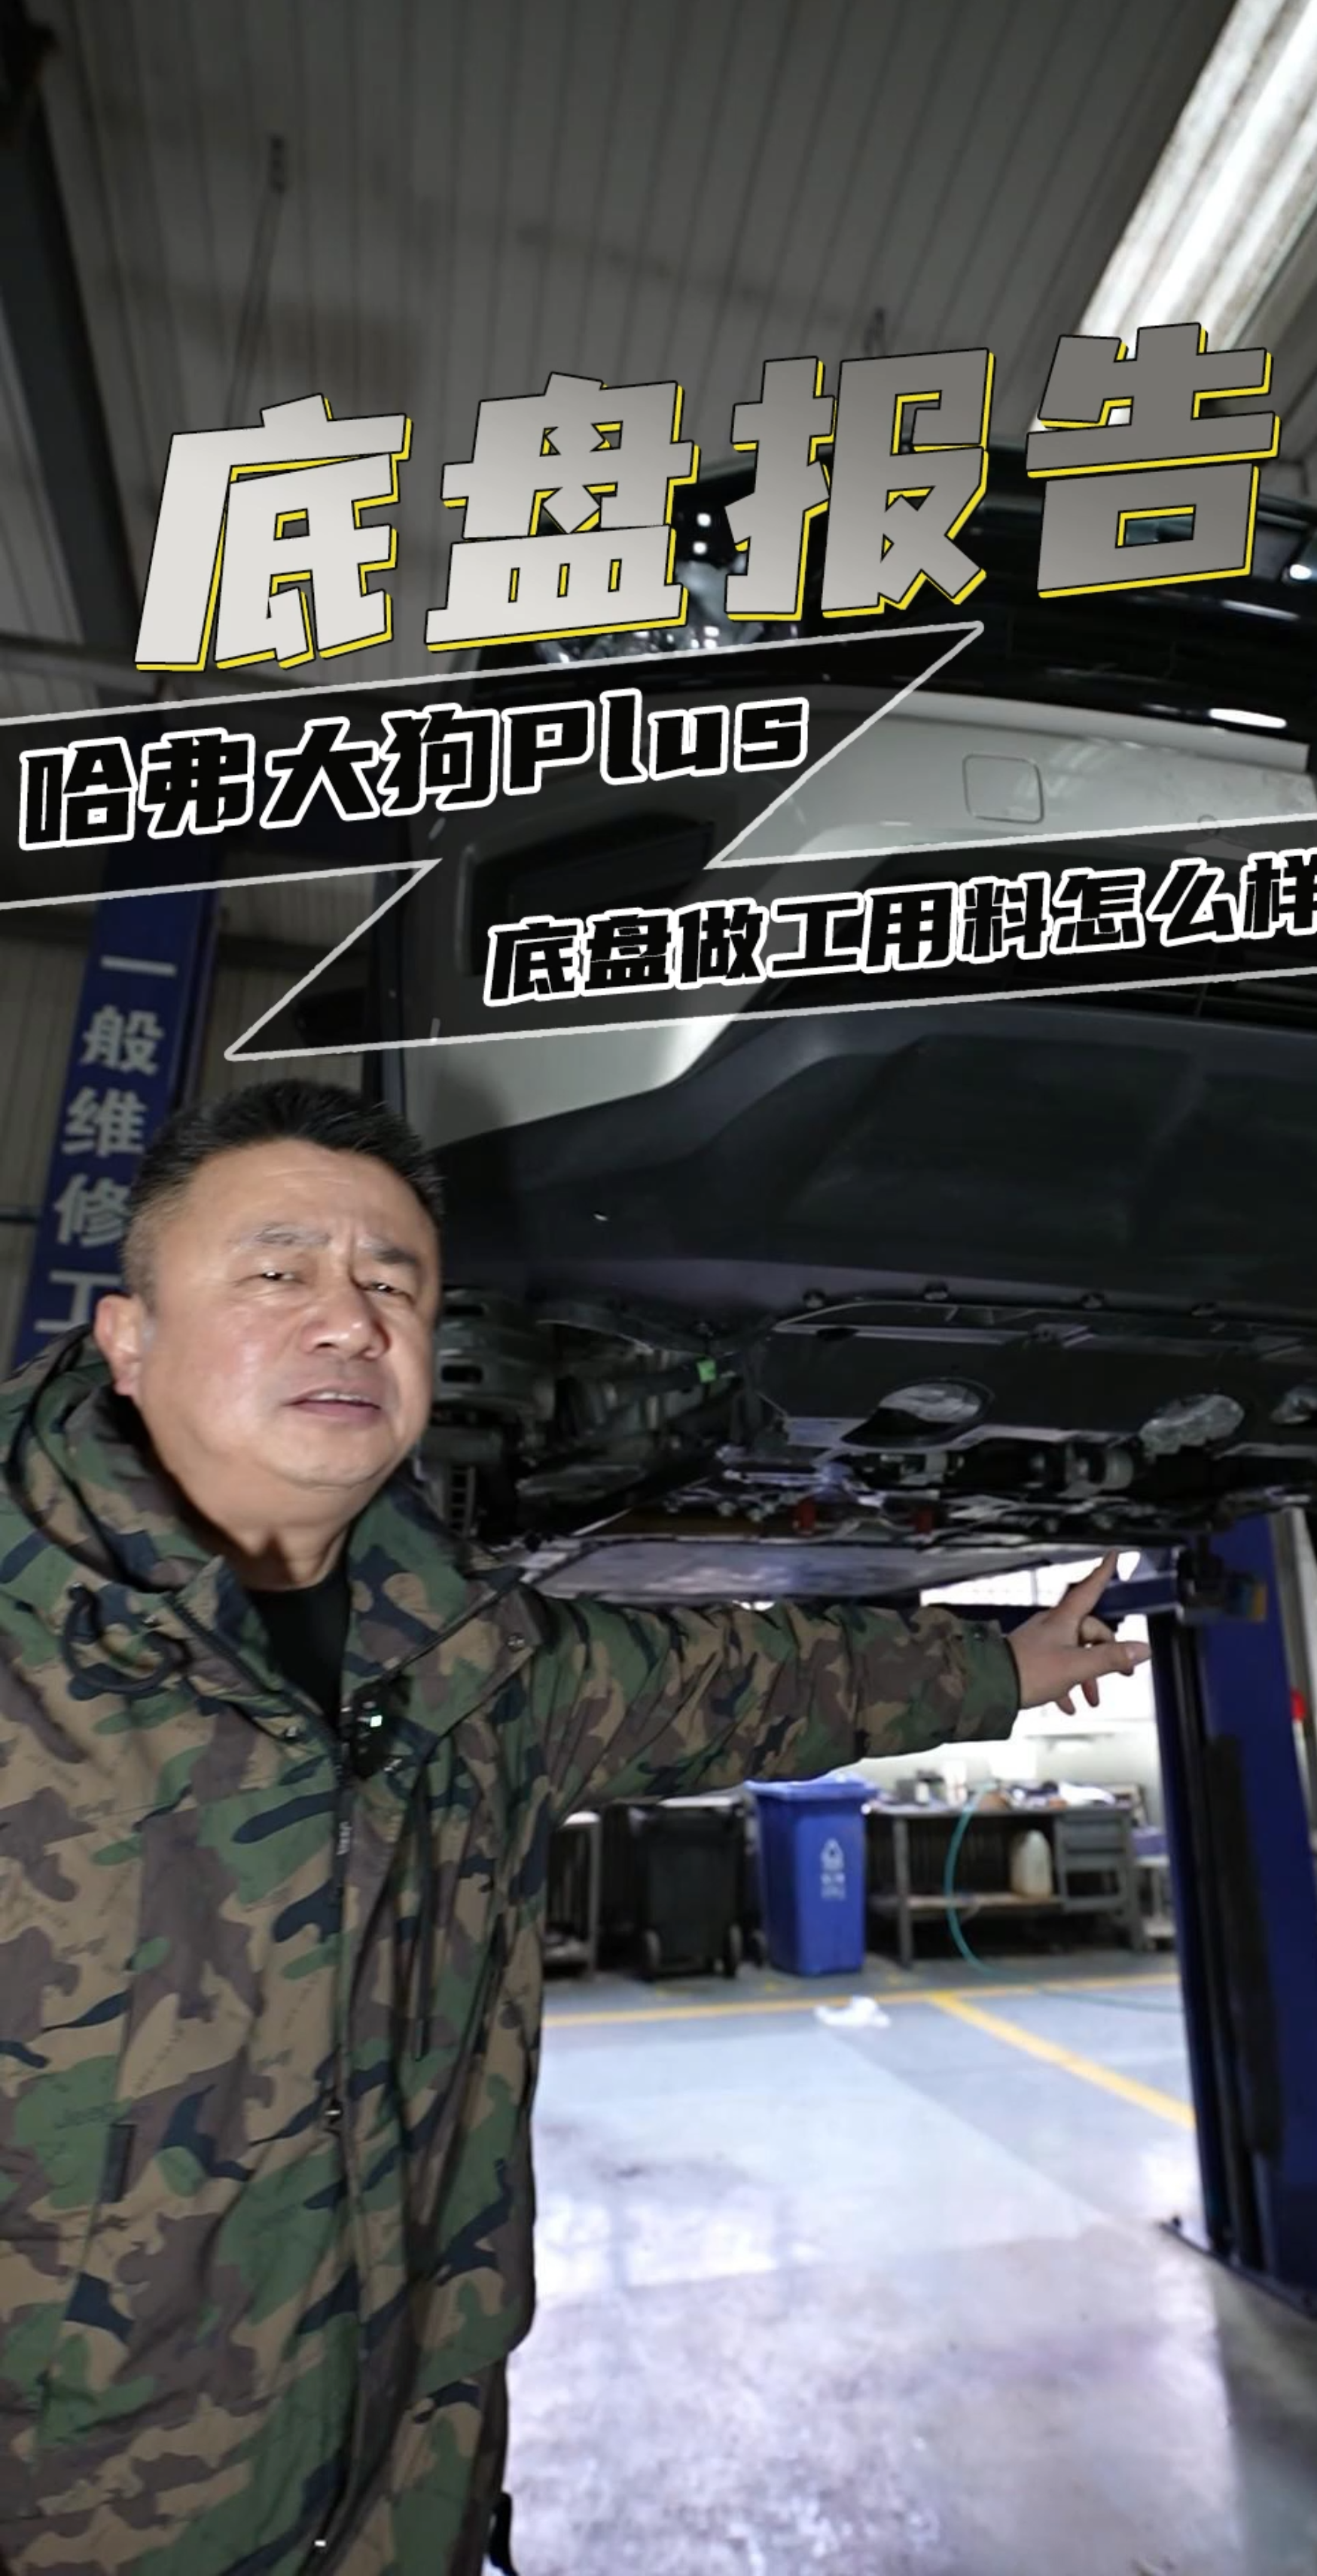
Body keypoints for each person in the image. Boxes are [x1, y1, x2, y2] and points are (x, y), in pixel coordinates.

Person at [0, 1081, 1150, 2576]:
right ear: (128, 1337)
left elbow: (744, 1685)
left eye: (393, 1284)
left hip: (404, 2502)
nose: (348, 1320)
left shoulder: (472, 1668)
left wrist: (1004, 1664)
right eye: (277, 1271)